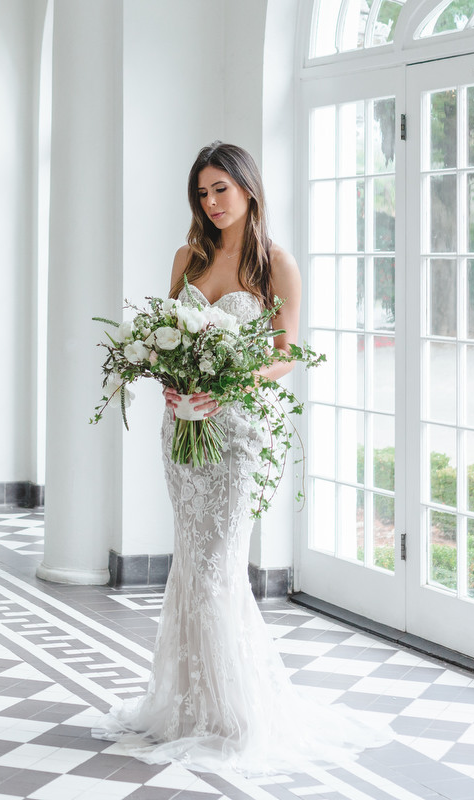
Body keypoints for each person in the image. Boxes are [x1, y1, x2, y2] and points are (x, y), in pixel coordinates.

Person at [95, 141, 389, 774]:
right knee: (188, 559)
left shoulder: (276, 266)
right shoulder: (188, 257)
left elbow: (286, 353)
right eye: (202, 193)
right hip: (184, 428)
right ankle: (186, 705)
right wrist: (170, 384)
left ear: (248, 189)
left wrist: (233, 382)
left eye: (220, 190)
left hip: (240, 432)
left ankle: (236, 714)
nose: (211, 203)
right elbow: (165, 336)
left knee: (218, 564)